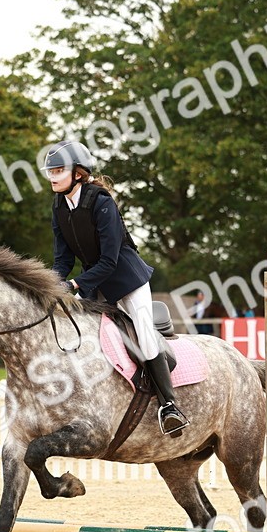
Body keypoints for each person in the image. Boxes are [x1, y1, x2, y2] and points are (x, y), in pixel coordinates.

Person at [43, 140, 187, 436]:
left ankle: (170, 406)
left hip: (126, 280)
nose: (52, 177)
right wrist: (51, 286)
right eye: (50, 171)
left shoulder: (101, 202)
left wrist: (75, 284)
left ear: (79, 173)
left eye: (59, 170)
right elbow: (63, 259)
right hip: (93, 284)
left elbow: (109, 260)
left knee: (145, 339)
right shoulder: (58, 206)